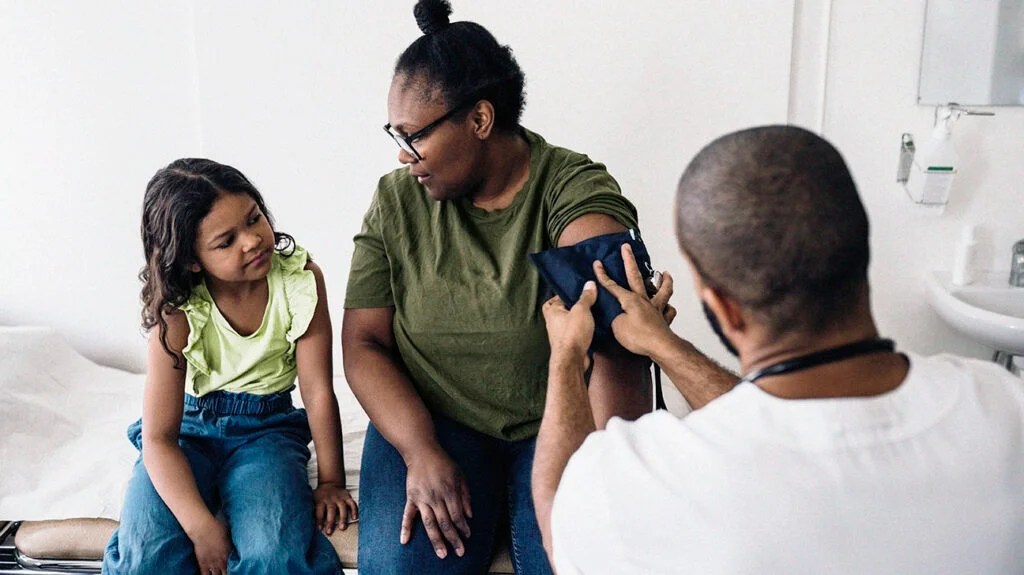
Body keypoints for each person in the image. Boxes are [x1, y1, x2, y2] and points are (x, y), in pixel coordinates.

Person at [534, 125, 1024, 573]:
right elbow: (784, 421)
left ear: (723, 306)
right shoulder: (1005, 405)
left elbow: (560, 521)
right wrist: (664, 346)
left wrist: (566, 357)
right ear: (862, 251)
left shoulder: (656, 479)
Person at [340, 0, 711, 571]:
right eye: (397, 134)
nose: (403, 154)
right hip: (434, 420)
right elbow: (363, 343)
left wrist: (605, 478)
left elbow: (616, 336)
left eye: (415, 136)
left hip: (555, 422)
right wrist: (420, 451)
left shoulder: (572, 186)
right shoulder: (397, 200)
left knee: (581, 559)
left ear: (480, 120)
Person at [102, 159, 357, 575]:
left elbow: (316, 391)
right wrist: (203, 530)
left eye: (254, 218)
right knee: (147, 558)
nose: (253, 240)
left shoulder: (299, 280)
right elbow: (159, 439)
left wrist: (330, 482)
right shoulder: (177, 312)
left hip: (267, 432)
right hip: (187, 432)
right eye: (226, 241)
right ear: (191, 261)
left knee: (274, 555)